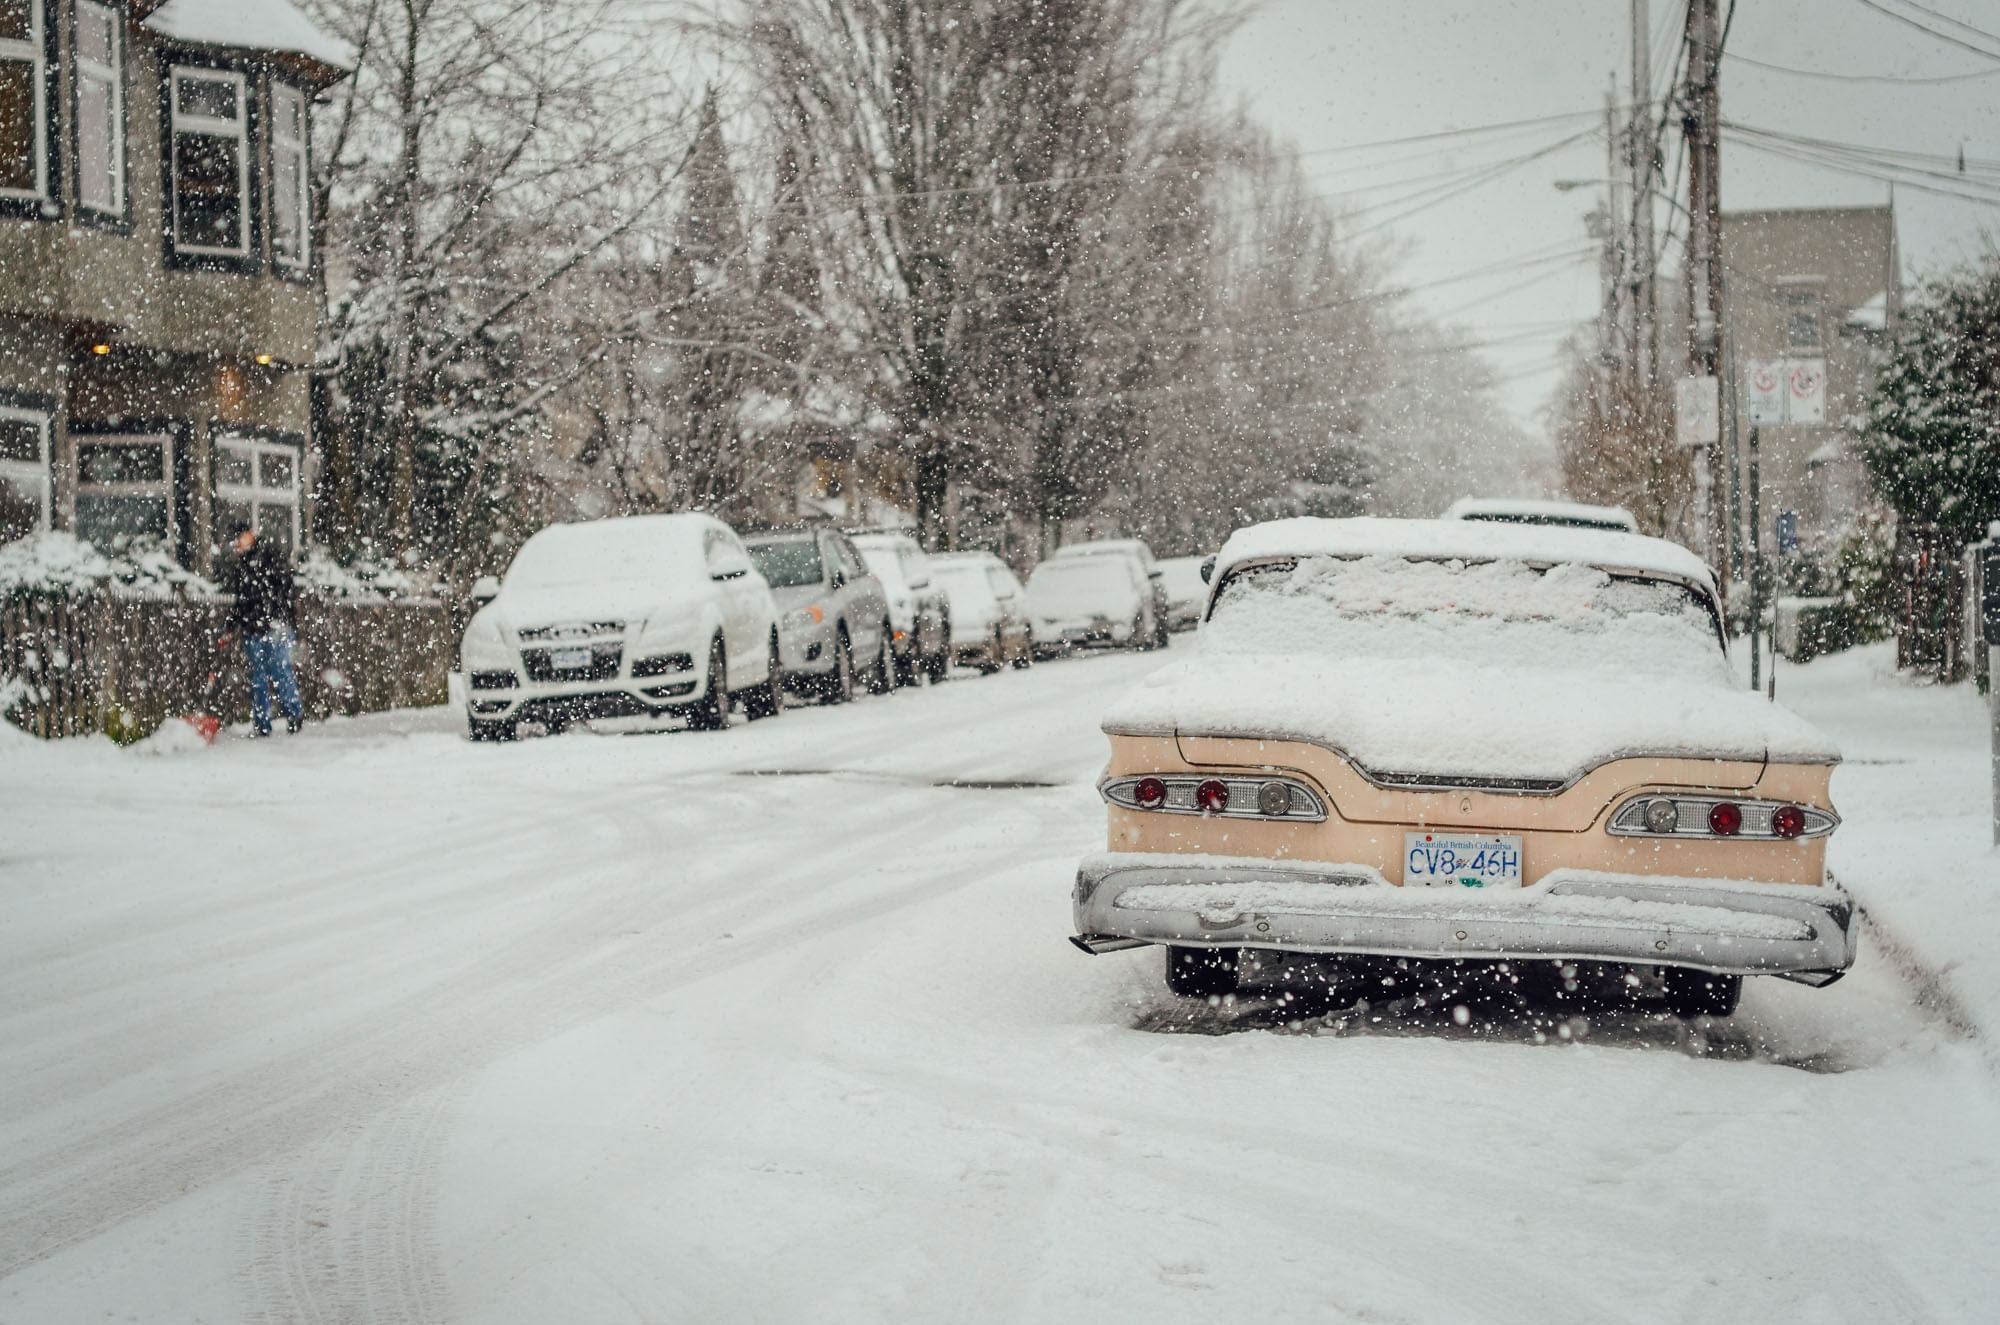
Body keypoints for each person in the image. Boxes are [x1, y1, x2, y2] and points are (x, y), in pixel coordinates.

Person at [218, 523, 305, 737]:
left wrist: (275, 615)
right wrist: (231, 626)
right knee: (259, 678)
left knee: (279, 671)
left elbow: (282, 590)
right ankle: (263, 723)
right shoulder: (243, 567)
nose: (239, 542)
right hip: (254, 628)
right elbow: (242, 602)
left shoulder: (268, 559)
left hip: (273, 626)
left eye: (242, 537)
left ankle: (292, 713)